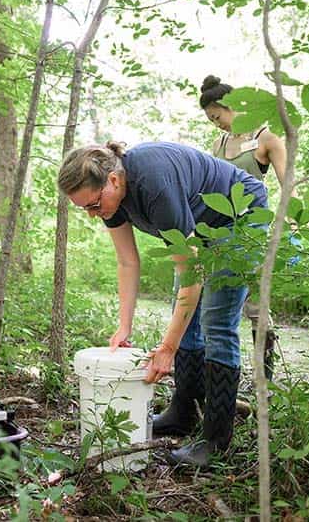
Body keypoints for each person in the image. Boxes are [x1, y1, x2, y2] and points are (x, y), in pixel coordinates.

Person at [58, 141, 267, 468]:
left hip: (241, 214)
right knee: (184, 314)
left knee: (215, 320)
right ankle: (183, 412)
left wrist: (167, 347)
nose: (92, 214)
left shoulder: (155, 186)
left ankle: (216, 439)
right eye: (85, 208)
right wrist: (124, 326)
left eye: (94, 205)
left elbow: (191, 274)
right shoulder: (110, 200)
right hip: (202, 225)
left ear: (113, 180)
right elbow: (127, 261)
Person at [200, 74, 294, 381]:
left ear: (230, 106)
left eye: (218, 116)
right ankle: (218, 375)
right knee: (215, 304)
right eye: (212, 121)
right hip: (218, 229)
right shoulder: (219, 143)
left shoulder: (267, 138)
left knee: (255, 303)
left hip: (251, 229)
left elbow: (287, 184)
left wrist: (292, 224)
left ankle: (264, 380)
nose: (218, 124)